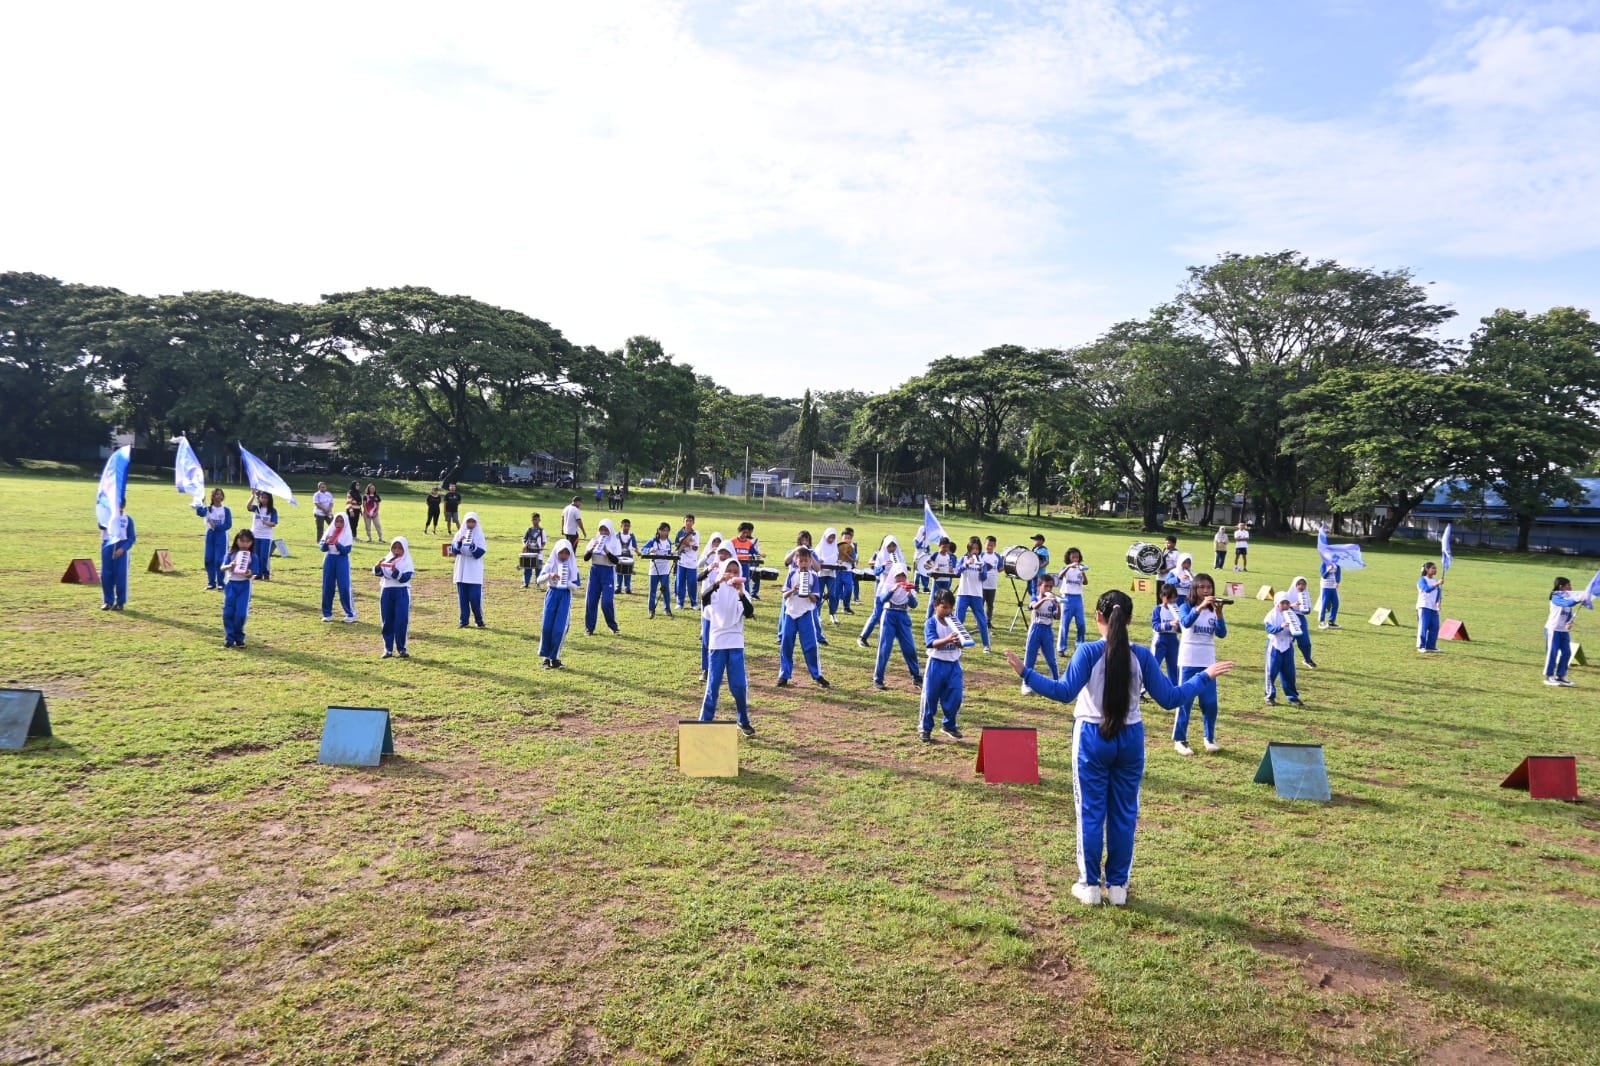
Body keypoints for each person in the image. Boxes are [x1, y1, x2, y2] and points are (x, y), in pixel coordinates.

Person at [1006, 590, 1236, 906]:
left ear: (1098, 617)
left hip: (1091, 737)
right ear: (1129, 620)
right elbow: (1170, 699)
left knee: (1090, 811)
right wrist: (1204, 677)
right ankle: (1117, 888)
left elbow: (1063, 693)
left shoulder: (1087, 652)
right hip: (1130, 739)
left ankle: (1088, 885)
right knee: (1124, 814)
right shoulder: (1141, 655)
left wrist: (1026, 673)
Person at [701, 557, 757, 736]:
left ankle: (743, 720)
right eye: (729, 571)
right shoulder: (716, 590)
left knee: (739, 685)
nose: (732, 574)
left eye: (736, 571)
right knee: (713, 684)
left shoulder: (742, 592)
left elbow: (749, 613)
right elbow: (704, 598)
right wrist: (718, 582)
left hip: (735, 643)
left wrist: (740, 592)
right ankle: (705, 722)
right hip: (717, 643)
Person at [1173, 573, 1228, 756]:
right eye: (1202, 587)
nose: (1206, 590)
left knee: (1210, 703)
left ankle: (1209, 738)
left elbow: (1221, 634)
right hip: (1188, 661)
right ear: (1194, 589)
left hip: (1208, 662)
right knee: (1185, 701)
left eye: (1209, 587)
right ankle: (1180, 740)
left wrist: (1219, 615)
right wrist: (1200, 607)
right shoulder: (1184, 606)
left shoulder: (1214, 610)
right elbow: (1186, 623)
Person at [778, 547, 830, 689]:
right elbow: (784, 595)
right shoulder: (792, 574)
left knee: (811, 645)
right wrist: (793, 590)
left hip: (806, 613)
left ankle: (817, 675)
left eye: (806, 560)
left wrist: (807, 592)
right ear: (796, 561)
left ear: (810, 562)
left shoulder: (813, 576)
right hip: (790, 613)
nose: (804, 563)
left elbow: (815, 599)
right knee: (786, 644)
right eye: (801, 560)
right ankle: (784, 675)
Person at [920, 589, 966, 743]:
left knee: (956, 696)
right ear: (935, 606)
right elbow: (931, 643)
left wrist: (959, 643)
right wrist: (947, 639)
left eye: (950, 608)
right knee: (930, 698)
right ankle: (925, 728)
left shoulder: (955, 622)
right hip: (936, 665)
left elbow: (962, 643)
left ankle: (949, 725)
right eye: (944, 607)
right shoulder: (931, 622)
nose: (947, 611)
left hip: (953, 665)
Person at [873, 563, 923, 691]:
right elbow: (882, 599)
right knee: (885, 648)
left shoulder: (909, 587)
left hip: (903, 616)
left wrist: (909, 594)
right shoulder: (889, 585)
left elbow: (914, 605)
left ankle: (916, 677)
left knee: (909, 648)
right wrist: (893, 589)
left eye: (903, 576)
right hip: (889, 615)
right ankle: (878, 679)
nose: (900, 578)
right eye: (898, 576)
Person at [537, 539, 581, 669]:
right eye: (561, 552)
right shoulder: (551, 563)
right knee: (547, 627)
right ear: (557, 552)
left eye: (567, 553)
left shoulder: (572, 566)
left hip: (565, 596)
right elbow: (539, 580)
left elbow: (576, 586)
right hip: (552, 595)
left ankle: (555, 657)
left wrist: (566, 582)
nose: (564, 556)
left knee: (559, 628)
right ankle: (546, 658)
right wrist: (549, 575)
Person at [857, 534, 907, 648]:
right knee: (877, 614)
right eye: (889, 546)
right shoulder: (880, 556)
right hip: (883, 589)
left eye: (894, 546)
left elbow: (904, 571)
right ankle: (863, 637)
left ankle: (884, 640)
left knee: (891, 616)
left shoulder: (899, 556)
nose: (892, 549)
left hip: (895, 591)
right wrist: (883, 566)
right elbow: (875, 572)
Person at [1544, 577, 1594, 686]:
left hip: (1563, 631)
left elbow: (1569, 611)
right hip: (1553, 629)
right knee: (1553, 653)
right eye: (1568, 585)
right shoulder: (1555, 596)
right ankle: (1549, 676)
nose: (1571, 588)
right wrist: (1578, 599)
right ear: (1561, 586)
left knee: (1567, 652)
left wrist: (1569, 621)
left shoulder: (1567, 596)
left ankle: (1561, 676)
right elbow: (1567, 604)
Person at [373, 536, 415, 658]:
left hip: (401, 592)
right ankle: (388, 649)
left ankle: (402, 648)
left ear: (405, 549)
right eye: (394, 548)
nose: (396, 551)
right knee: (387, 620)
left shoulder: (407, 561)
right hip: (386, 591)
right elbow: (379, 573)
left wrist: (395, 571)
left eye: (399, 548)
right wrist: (377, 567)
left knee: (401, 621)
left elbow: (405, 578)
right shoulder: (387, 558)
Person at [696, 535, 731, 681]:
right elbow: (698, 578)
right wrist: (709, 569)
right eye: (720, 552)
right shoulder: (713, 565)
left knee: (722, 641)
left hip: (724, 610)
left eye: (725, 552)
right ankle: (706, 669)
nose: (722, 555)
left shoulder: (733, 568)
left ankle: (722, 669)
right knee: (706, 640)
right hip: (709, 608)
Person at [1021, 572, 1061, 692]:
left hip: (1047, 630)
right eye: (1046, 586)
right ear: (1039, 586)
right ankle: (1026, 683)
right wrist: (1045, 599)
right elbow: (1034, 607)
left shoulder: (1052, 602)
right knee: (1030, 657)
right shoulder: (1035, 598)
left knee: (1051, 659)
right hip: (1036, 629)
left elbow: (1057, 617)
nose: (1049, 589)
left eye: (1050, 587)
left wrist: (1058, 605)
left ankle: (1057, 682)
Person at [1263, 592, 1305, 706]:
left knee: (1289, 673)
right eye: (1283, 603)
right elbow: (1270, 629)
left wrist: (1293, 631)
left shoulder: (1292, 615)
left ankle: (1292, 697)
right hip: (1275, 646)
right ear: (1277, 603)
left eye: (1287, 603)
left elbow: (1298, 629)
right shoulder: (1271, 615)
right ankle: (1269, 696)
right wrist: (1280, 627)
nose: (1285, 605)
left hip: (1287, 646)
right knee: (1271, 672)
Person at [583, 518, 623, 636]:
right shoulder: (594, 540)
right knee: (591, 601)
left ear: (610, 530)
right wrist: (591, 548)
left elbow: (616, 561)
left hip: (608, 572)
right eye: (601, 529)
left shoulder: (615, 542)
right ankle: (589, 628)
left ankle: (613, 626)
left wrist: (607, 550)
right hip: (595, 571)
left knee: (606, 602)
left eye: (606, 530)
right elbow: (585, 558)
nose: (603, 532)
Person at [954, 536, 993, 653]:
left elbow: (983, 577)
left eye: (977, 548)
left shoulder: (982, 562)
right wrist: (965, 564)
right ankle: (956, 642)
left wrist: (981, 569)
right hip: (963, 593)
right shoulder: (964, 558)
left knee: (981, 621)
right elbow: (956, 572)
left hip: (976, 594)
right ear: (969, 548)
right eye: (973, 548)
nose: (975, 551)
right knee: (959, 619)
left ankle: (986, 645)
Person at [450, 511, 488, 628]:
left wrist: (472, 546)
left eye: (473, 522)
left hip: (474, 570)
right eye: (468, 522)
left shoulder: (479, 535)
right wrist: (459, 543)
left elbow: (480, 553)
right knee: (463, 598)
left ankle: (479, 620)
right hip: (461, 569)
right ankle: (464, 620)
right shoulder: (459, 533)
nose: (470, 524)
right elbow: (453, 551)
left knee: (475, 597)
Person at [319, 513, 357, 623]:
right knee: (327, 586)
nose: (339, 524)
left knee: (344, 587)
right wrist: (326, 543)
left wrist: (337, 544)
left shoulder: (347, 533)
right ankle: (327, 613)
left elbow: (346, 551)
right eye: (337, 521)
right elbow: (322, 548)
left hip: (342, 560)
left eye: (341, 521)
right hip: (329, 559)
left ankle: (350, 613)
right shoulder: (329, 531)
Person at [221, 529, 256, 648]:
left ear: (251, 542)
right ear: (237, 540)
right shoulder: (230, 554)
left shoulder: (253, 556)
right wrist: (230, 565)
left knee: (241, 614)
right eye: (242, 541)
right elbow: (222, 567)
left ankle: (239, 637)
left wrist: (248, 573)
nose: (245, 544)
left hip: (244, 586)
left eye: (248, 541)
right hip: (231, 585)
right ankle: (229, 638)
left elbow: (254, 572)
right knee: (228, 613)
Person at [98, 501, 136, 611]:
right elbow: (100, 525)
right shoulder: (106, 518)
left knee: (120, 576)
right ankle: (108, 601)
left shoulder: (127, 519)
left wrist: (123, 548)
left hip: (121, 547)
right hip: (108, 545)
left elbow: (131, 537)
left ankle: (120, 602)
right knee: (106, 575)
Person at [195, 488, 232, 590]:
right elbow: (199, 513)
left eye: (221, 495)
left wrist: (217, 527)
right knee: (209, 559)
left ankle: (221, 583)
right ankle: (211, 582)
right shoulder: (208, 509)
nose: (219, 497)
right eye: (216, 495)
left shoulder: (226, 510)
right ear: (212, 497)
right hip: (210, 534)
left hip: (221, 535)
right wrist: (200, 502)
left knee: (219, 559)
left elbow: (228, 524)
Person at [1057, 547, 1089, 656]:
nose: (1075, 559)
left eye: (1077, 557)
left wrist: (1083, 572)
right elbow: (1060, 576)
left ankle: (1079, 645)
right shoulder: (1065, 568)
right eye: (1073, 557)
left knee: (1081, 624)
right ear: (1069, 558)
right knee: (1065, 624)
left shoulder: (1081, 568)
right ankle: (1061, 648)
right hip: (1067, 598)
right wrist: (1068, 567)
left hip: (1078, 598)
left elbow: (1085, 583)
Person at [1150, 582, 1182, 685]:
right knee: (1153, 665)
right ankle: (1142, 690)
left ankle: (1174, 689)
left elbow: (1181, 628)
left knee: (1174, 666)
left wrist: (1180, 626)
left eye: (1174, 598)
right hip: (1160, 640)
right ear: (1162, 597)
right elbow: (1155, 626)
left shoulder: (1177, 609)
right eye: (1169, 598)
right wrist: (1169, 624)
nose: (1172, 601)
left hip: (1173, 640)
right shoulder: (1158, 609)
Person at [643, 522, 676, 619]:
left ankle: (667, 609)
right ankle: (651, 609)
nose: (665, 532)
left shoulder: (669, 542)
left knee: (665, 590)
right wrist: (649, 550)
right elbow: (643, 549)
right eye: (663, 530)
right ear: (659, 530)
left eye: (667, 531)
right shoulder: (653, 540)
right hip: (654, 569)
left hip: (665, 569)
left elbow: (669, 553)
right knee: (652, 590)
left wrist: (673, 554)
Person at [246, 492, 278, 579]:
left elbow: (274, 523)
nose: (264, 499)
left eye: (266, 498)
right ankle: (258, 573)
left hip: (266, 536)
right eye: (262, 497)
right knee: (256, 555)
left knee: (264, 556)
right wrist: (253, 495)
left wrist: (266, 523)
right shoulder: (256, 508)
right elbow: (248, 506)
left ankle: (266, 573)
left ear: (269, 499)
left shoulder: (272, 510)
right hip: (255, 534)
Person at [924, 538, 958, 619]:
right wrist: (933, 566)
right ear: (939, 546)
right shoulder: (936, 554)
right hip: (937, 581)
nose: (945, 549)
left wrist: (951, 569)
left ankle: (943, 617)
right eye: (944, 547)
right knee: (933, 600)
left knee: (945, 600)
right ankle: (928, 618)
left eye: (947, 547)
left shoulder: (948, 556)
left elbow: (950, 566)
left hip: (946, 581)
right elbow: (926, 563)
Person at [1416, 561, 1444, 653]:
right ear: (1427, 569)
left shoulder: (1435, 581)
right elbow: (1426, 589)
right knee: (1423, 626)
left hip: (1433, 607)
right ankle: (1421, 646)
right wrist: (1437, 584)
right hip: (1424, 606)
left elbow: (1438, 592)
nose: (1435, 570)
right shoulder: (1422, 580)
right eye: (1433, 568)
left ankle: (1431, 646)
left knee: (1435, 626)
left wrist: (1438, 602)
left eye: (1435, 568)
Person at [1289, 576, 1317, 668]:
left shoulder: (1306, 594)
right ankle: (1287, 660)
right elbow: (1281, 607)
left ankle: (1307, 659)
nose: (1301, 586)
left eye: (1304, 584)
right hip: (1289, 617)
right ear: (1295, 585)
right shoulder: (1288, 595)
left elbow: (1308, 610)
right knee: (1289, 640)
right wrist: (1292, 605)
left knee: (1305, 641)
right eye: (1299, 584)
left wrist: (1305, 609)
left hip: (1301, 618)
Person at [673, 515, 699, 610]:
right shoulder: (680, 533)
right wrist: (681, 545)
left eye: (690, 521)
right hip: (681, 562)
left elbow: (696, 548)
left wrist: (687, 544)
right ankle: (680, 602)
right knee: (680, 582)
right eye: (687, 520)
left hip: (692, 562)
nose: (688, 522)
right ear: (683, 521)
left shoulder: (696, 533)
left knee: (692, 583)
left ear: (693, 522)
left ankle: (694, 603)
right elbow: (676, 545)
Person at [731, 522, 763, 599]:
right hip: (735, 565)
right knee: (734, 580)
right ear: (739, 531)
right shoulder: (733, 541)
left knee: (745, 580)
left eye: (746, 533)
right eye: (743, 532)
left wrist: (760, 555)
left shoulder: (749, 543)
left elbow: (754, 553)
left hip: (745, 565)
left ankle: (746, 597)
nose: (745, 535)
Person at [816, 528, 842, 624]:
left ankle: (833, 614)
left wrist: (838, 561)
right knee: (818, 594)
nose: (831, 539)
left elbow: (836, 557)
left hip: (831, 573)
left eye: (833, 537)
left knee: (833, 595)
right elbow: (815, 558)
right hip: (821, 573)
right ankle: (817, 615)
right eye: (829, 537)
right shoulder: (820, 546)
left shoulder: (835, 547)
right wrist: (820, 560)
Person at [836, 528, 859, 615]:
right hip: (838, 571)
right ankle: (834, 608)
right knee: (836, 591)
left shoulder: (851, 548)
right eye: (845, 537)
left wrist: (846, 556)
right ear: (841, 538)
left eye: (849, 538)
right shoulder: (837, 546)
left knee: (849, 589)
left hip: (847, 571)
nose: (847, 539)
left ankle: (846, 607)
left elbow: (853, 561)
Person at [520, 512, 546, 589]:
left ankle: (538, 584)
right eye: (533, 520)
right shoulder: (529, 530)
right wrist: (524, 545)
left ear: (539, 520)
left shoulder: (542, 531)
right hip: (529, 553)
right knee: (527, 569)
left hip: (538, 553)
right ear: (531, 520)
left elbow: (544, 541)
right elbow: (524, 539)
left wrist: (542, 547)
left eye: (536, 519)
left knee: (538, 569)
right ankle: (526, 583)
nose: (535, 521)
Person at [980, 536, 1002, 621]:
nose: (989, 547)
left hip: (992, 585)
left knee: (990, 604)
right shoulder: (981, 555)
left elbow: (1000, 569)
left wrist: (1006, 566)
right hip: (982, 584)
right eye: (988, 545)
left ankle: (988, 621)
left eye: (991, 545)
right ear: (984, 544)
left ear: (995, 546)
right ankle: (980, 621)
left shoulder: (997, 556)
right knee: (980, 604)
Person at [616, 519, 639, 595]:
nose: (626, 528)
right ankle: (618, 587)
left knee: (628, 573)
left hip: (629, 557)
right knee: (619, 572)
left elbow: (635, 546)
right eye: (625, 526)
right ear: (621, 526)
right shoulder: (617, 535)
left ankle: (627, 588)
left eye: (628, 526)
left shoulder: (632, 536)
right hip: (619, 557)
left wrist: (638, 553)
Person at [1318, 558, 1342, 629]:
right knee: (1324, 603)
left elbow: (1338, 575)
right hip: (1325, 586)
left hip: (1333, 587)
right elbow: (1324, 576)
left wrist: (1337, 582)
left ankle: (1331, 622)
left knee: (1336, 603)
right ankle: (1321, 621)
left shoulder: (1337, 565)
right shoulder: (1323, 564)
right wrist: (1328, 570)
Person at [1028, 534, 1050, 599]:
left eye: (1036, 540)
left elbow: (1046, 562)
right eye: (1034, 540)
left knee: (1036, 591)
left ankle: (1036, 604)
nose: (1034, 541)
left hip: (1039, 575)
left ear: (1041, 541)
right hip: (1032, 574)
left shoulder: (1043, 550)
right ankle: (1033, 603)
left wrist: (1038, 568)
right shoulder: (1035, 549)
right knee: (1031, 590)